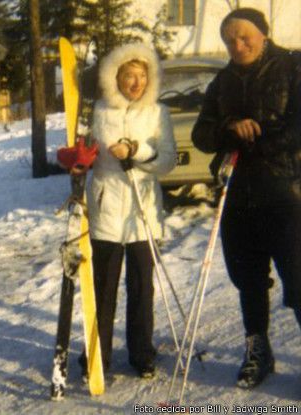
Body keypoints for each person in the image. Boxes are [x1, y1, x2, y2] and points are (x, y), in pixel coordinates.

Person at [192, 7, 301, 389]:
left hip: (288, 193)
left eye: (244, 37)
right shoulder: (222, 81)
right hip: (238, 196)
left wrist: (258, 138)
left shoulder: (293, 66)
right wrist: (229, 127)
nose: (237, 46)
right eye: (229, 40)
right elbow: (201, 134)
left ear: (263, 34)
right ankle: (258, 350)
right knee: (248, 279)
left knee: (298, 279)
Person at [83, 43, 177, 378]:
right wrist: (78, 160)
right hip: (106, 209)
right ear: (115, 77)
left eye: (142, 76)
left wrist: (135, 151)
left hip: (141, 211)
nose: (136, 83)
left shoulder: (157, 112)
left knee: (141, 288)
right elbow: (85, 151)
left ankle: (142, 354)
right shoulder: (99, 111)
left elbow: (167, 161)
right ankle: (98, 355)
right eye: (128, 75)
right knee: (102, 288)